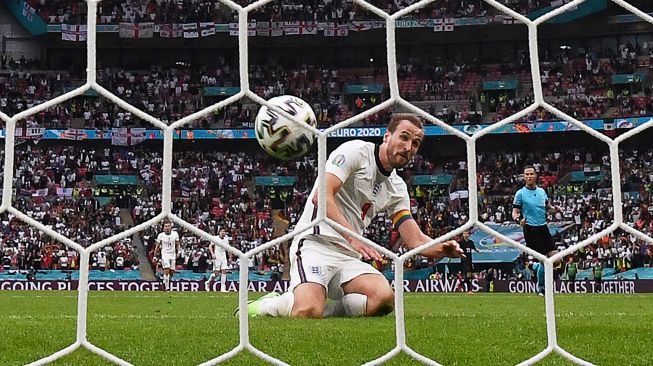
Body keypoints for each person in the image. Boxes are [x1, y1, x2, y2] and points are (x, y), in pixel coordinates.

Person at [243, 114, 464, 318]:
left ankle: (326, 311)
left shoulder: (397, 187)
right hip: (315, 244)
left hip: (348, 256)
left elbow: (414, 240)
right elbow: (321, 197)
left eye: (415, 143)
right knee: (307, 310)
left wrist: (441, 248)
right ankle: (266, 306)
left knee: (384, 299)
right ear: (387, 136)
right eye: (403, 137)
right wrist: (353, 237)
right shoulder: (355, 152)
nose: (408, 147)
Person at [512, 165, 561, 296]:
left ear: (535, 176)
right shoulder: (520, 194)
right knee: (545, 260)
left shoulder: (541, 192)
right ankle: (542, 290)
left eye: (531, 174)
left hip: (543, 228)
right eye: (526, 174)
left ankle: (533, 267)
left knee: (555, 260)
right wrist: (519, 220)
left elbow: (547, 208)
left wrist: (555, 210)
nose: (529, 176)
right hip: (531, 229)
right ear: (524, 177)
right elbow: (515, 212)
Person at [154, 220, 180, 291]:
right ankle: (167, 288)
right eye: (166, 226)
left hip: (173, 254)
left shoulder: (175, 234)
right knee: (166, 269)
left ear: (171, 227)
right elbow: (157, 247)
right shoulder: (161, 235)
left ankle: (165, 280)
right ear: (163, 228)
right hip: (165, 254)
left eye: (168, 226)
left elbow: (177, 244)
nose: (167, 227)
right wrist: (155, 256)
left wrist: (179, 251)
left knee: (172, 271)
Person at [205, 228, 230, 292]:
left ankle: (223, 288)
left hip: (223, 256)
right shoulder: (215, 238)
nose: (223, 233)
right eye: (222, 231)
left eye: (224, 231)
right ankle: (208, 282)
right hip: (217, 256)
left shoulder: (226, 240)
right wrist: (212, 254)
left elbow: (228, 249)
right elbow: (210, 246)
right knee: (217, 273)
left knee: (224, 271)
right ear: (219, 232)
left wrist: (229, 257)